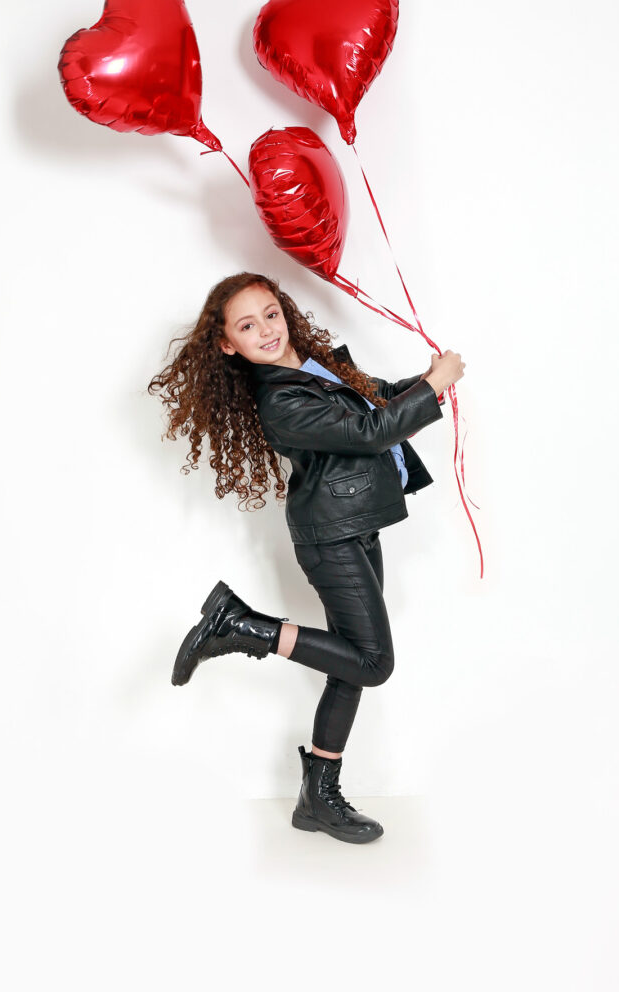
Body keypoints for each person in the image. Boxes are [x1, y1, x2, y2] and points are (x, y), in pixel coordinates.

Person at [148, 272, 465, 844]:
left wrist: (426, 380)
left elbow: (378, 401)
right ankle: (243, 625)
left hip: (356, 526)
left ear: (284, 309)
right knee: (373, 661)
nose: (266, 330)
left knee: (351, 667)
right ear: (228, 344)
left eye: (270, 313)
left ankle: (317, 798)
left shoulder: (316, 366)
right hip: (330, 538)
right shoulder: (281, 399)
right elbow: (371, 432)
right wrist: (435, 389)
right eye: (247, 326)